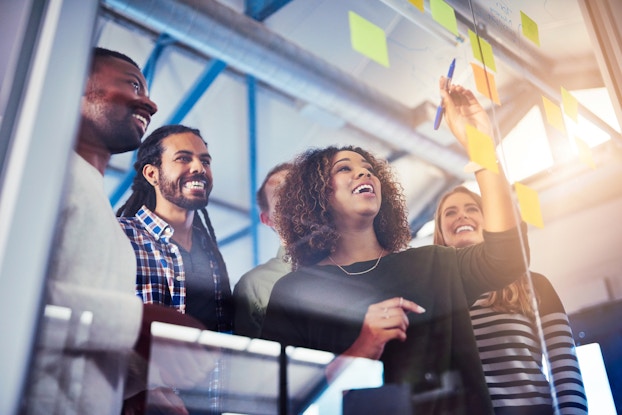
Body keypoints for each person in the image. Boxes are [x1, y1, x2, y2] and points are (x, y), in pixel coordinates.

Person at [261, 81, 528, 414]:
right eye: (344, 168)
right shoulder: (295, 292)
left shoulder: (435, 264)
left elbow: (508, 256)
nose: (363, 171)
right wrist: (362, 347)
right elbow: (280, 398)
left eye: (369, 169)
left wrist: (482, 146)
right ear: (317, 195)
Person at [24, 47, 162, 415]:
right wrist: (136, 324)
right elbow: (13, 296)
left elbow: (72, 361)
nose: (150, 104)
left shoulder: (106, 218)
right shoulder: (28, 173)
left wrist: (138, 382)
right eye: (133, 85)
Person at [433, 185, 588, 414]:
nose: (462, 215)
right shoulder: (430, 296)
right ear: (441, 233)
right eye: (450, 212)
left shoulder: (534, 284)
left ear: (490, 222)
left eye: (472, 209)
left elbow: (564, 367)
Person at [116, 124, 233, 333]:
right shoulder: (120, 236)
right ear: (152, 174)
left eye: (205, 161)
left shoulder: (211, 253)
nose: (199, 168)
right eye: (183, 158)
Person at [233, 162, 293, 338]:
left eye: (299, 188)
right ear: (267, 219)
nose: (294, 198)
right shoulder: (253, 286)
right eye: (281, 195)